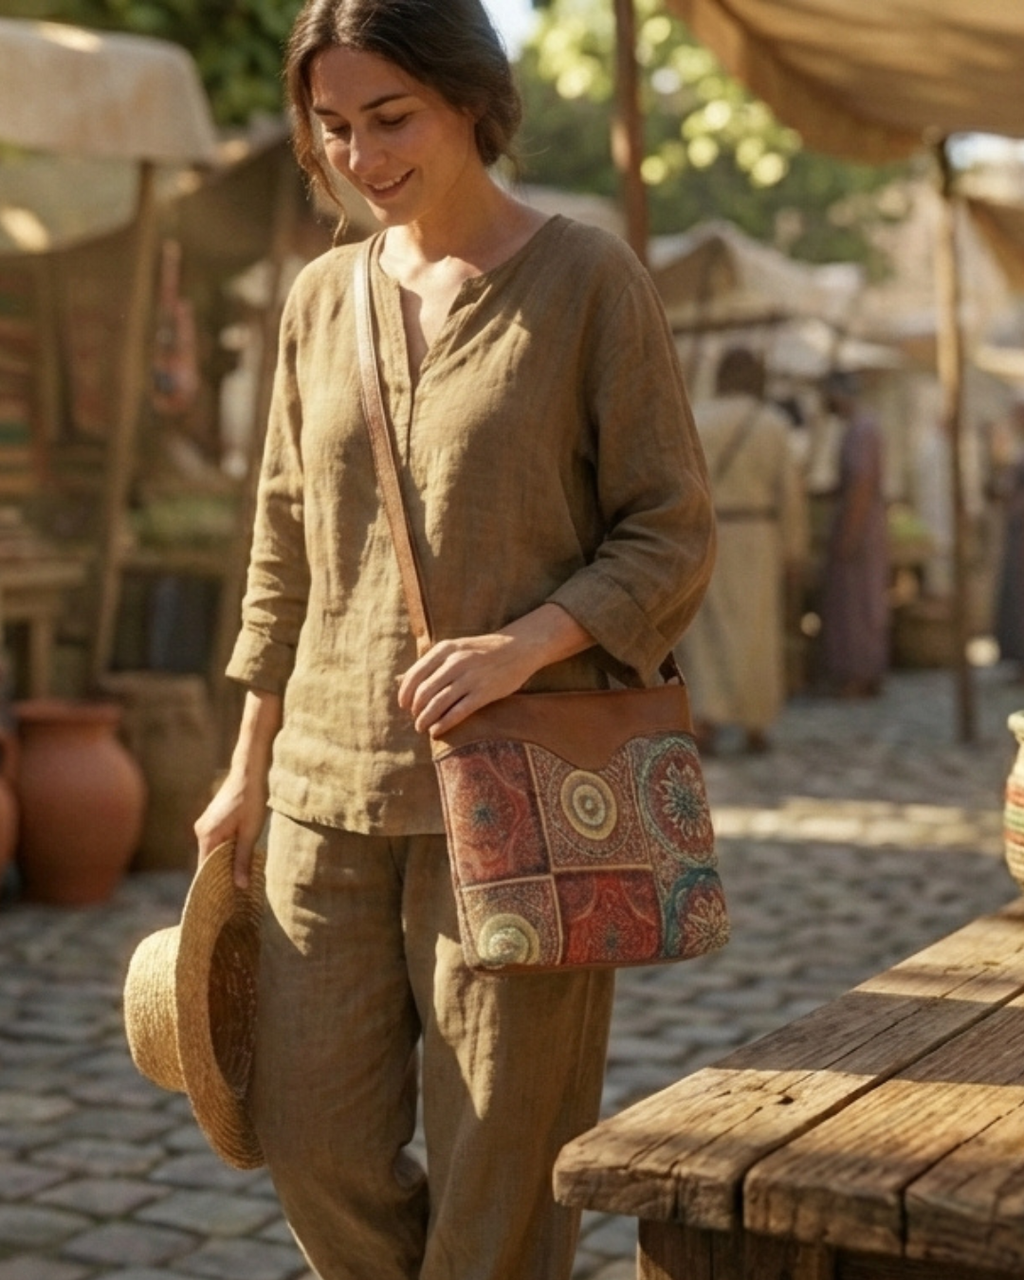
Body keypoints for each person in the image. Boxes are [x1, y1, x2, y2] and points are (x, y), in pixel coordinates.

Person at [192, 3, 716, 1277]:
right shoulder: (320, 300)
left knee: (502, 1175)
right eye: (332, 128)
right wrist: (246, 765)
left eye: (391, 119)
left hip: (527, 793)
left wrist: (520, 645)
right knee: (310, 1140)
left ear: (472, 100)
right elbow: (282, 545)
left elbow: (671, 529)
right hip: (324, 791)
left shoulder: (587, 280)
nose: (360, 158)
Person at [676, 346, 807, 754]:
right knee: (756, 631)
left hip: (708, 533)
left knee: (708, 633)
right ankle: (756, 722)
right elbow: (790, 494)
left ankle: (707, 718)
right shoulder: (772, 425)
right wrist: (794, 549)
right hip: (757, 536)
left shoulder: (697, 418)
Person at [818, 370, 889, 697]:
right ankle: (862, 672)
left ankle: (859, 674)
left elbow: (861, 485)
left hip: (860, 528)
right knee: (860, 603)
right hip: (863, 523)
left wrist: (849, 534)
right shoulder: (859, 428)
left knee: (857, 606)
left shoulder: (862, 429)